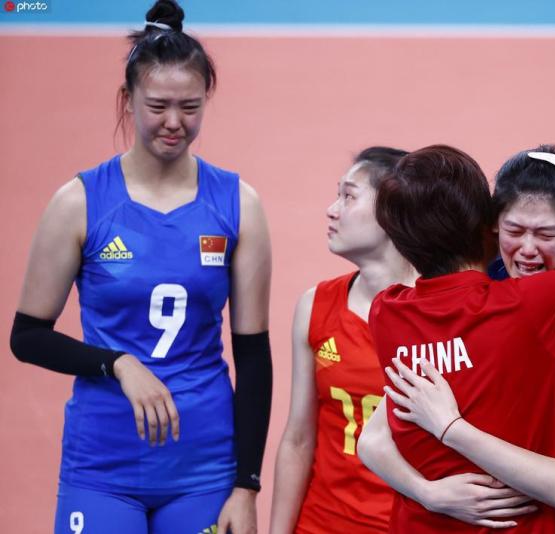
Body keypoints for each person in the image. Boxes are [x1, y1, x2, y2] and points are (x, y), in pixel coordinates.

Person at [9, 2, 272, 533]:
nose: (174, 122)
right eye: (158, 106)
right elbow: (28, 337)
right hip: (102, 466)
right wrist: (119, 364)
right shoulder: (80, 203)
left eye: (190, 107)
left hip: (204, 466)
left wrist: (246, 485)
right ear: (127, 100)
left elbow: (253, 356)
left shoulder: (237, 204)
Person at [356, 144, 555, 533]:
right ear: (491, 226)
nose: (528, 250)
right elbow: (374, 438)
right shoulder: (492, 292)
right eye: (514, 230)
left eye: (546, 233)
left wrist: (451, 428)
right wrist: (429, 493)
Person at [270, 147, 413, 533]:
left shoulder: (441, 313)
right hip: (321, 523)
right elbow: (298, 439)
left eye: (349, 197)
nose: (331, 210)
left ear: (393, 211)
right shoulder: (315, 305)